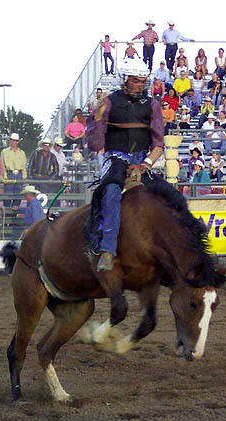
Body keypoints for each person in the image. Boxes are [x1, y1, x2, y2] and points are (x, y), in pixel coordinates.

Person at [87, 58, 164, 271]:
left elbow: (159, 144)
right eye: (136, 81)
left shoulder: (152, 105)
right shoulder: (109, 101)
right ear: (125, 80)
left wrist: (145, 165)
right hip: (114, 159)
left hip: (142, 162)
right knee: (111, 192)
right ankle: (107, 251)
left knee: (169, 195)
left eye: (142, 81)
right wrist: (97, 117)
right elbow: (95, 143)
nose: (140, 85)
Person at [1, 133, 27, 207]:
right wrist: (5, 175)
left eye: (16, 140)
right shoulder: (4, 152)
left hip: (19, 174)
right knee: (7, 194)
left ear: (18, 141)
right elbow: (2, 164)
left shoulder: (22, 153)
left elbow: (24, 165)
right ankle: (6, 211)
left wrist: (24, 177)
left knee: (18, 194)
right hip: (9, 174)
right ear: (10, 140)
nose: (14, 142)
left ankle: (14, 212)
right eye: (13, 140)